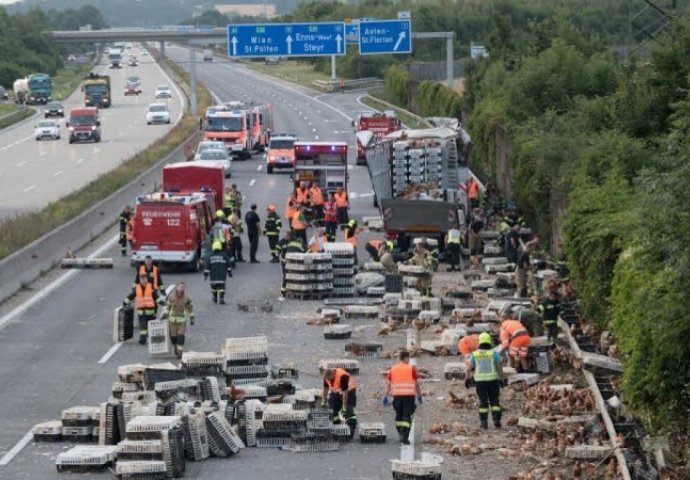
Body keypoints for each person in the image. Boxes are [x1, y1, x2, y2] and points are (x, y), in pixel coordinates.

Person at [383, 349, 423, 445]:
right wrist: (419, 395)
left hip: (397, 396)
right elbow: (416, 383)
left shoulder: (393, 369)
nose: (409, 360)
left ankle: (400, 432)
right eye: (408, 358)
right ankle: (405, 436)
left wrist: (385, 396)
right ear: (405, 358)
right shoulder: (411, 369)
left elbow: (388, 384)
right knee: (407, 416)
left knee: (399, 415)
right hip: (409, 396)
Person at [468, 332, 504, 429]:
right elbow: (499, 368)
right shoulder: (494, 354)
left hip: (480, 382)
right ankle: (497, 420)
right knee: (494, 400)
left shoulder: (474, 354)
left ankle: (484, 422)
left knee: (483, 401)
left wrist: (467, 379)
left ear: (479, 342)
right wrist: (502, 379)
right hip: (493, 380)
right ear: (489, 342)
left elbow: (469, 368)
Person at [124, 274, 165, 345]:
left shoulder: (151, 288)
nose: (143, 281)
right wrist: (125, 302)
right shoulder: (137, 288)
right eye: (142, 279)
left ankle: (148, 337)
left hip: (150, 312)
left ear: (147, 279)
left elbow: (156, 298)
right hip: (141, 312)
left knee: (149, 326)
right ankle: (142, 339)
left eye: (145, 279)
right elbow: (130, 296)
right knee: (143, 325)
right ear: (140, 280)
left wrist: (163, 303)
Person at [162, 282, 194, 358]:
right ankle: (176, 348)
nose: (181, 288)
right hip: (172, 321)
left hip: (182, 321)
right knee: (173, 338)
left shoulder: (187, 298)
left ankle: (180, 353)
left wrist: (192, 317)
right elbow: (168, 307)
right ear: (177, 287)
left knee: (181, 337)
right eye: (180, 287)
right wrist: (165, 315)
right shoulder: (171, 297)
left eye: (183, 287)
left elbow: (190, 308)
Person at [322, 368, 357, 437]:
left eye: (330, 379)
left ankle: (350, 431)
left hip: (349, 391)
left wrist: (344, 407)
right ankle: (336, 427)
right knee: (332, 409)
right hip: (336, 391)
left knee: (348, 410)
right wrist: (324, 400)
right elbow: (325, 389)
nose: (329, 380)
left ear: (332, 374)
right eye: (327, 379)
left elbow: (345, 394)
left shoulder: (342, 376)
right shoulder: (326, 377)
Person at [278, 231, 305, 297]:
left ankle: (284, 291)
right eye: (284, 236)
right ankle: (288, 290)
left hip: (287, 262)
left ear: (290, 236)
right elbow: (307, 251)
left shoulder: (289, 244)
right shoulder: (285, 242)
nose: (285, 237)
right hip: (290, 262)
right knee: (290, 275)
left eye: (286, 236)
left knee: (286, 275)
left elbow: (282, 253)